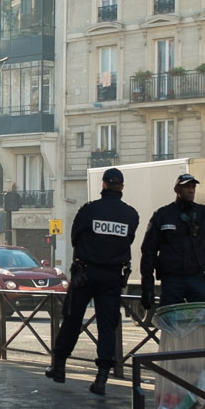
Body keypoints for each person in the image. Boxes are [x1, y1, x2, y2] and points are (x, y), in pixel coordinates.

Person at [46, 168, 141, 395]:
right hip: (112, 276)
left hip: (85, 274)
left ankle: (59, 367)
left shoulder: (89, 210)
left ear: (104, 185)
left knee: (72, 318)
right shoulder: (130, 215)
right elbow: (129, 238)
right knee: (107, 326)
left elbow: (75, 236)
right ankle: (101, 379)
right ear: (122, 187)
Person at [140, 173, 205, 308]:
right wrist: (147, 287)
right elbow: (148, 252)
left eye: (193, 187)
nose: (191, 190)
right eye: (187, 187)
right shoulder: (163, 215)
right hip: (171, 280)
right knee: (171, 325)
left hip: (198, 278)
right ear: (177, 190)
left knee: (200, 325)